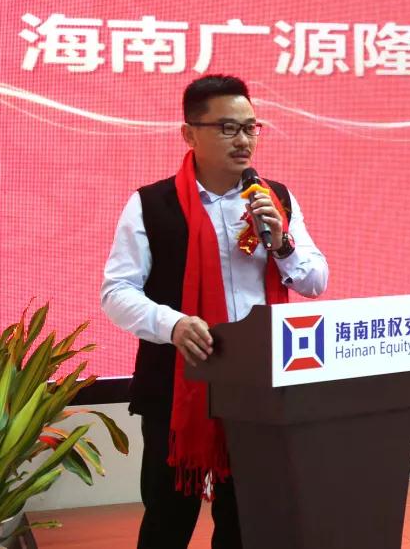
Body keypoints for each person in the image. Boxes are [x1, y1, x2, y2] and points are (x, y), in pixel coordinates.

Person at [101, 74, 329, 549]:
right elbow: (117, 292)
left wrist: (282, 243)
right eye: (227, 128)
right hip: (178, 382)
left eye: (250, 127)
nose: (243, 140)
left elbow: (314, 282)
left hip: (258, 383)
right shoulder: (151, 204)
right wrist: (173, 324)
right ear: (189, 133)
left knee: (246, 519)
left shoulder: (276, 199)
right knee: (168, 517)